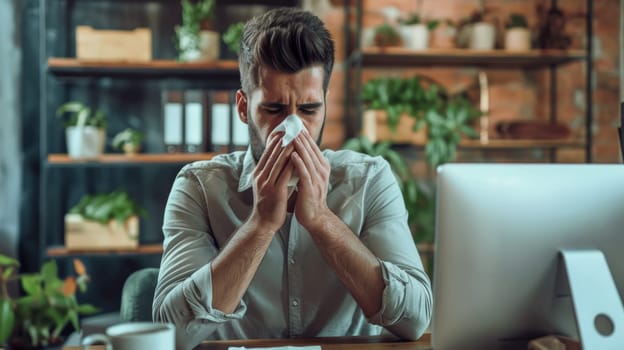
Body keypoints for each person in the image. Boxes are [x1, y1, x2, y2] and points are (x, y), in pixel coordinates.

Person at [153, 7, 432, 350]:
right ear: (243, 108)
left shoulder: (370, 180)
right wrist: (260, 225)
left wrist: (322, 221)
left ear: (326, 104)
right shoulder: (198, 187)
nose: (293, 128)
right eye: (274, 110)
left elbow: (415, 321)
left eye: (309, 109)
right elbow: (171, 334)